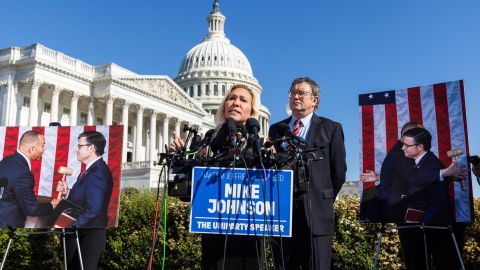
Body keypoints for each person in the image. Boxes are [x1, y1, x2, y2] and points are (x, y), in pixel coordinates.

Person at [170, 84, 264, 270]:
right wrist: (183, 158)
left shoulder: (258, 144)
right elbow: (187, 193)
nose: (236, 103)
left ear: (252, 111)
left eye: (243, 100)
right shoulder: (209, 139)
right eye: (232, 98)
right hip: (215, 231)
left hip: (249, 233)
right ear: (224, 105)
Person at [268, 77, 347, 270]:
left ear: (315, 100)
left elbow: (339, 172)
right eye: (292, 92)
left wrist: (322, 197)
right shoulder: (277, 130)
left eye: (301, 93)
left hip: (317, 215)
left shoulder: (331, 128)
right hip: (283, 214)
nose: (295, 96)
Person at [400, 127, 465, 269]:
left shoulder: (430, 162)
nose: (403, 148)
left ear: (420, 146)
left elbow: (421, 179)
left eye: (406, 145)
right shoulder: (417, 164)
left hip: (433, 228)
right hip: (422, 227)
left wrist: (444, 172)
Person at [56, 131, 113, 270]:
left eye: (80, 146)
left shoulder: (98, 172)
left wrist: (69, 225)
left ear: (91, 148)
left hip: (89, 234)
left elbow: (94, 209)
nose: (76, 149)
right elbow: (84, 200)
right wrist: (67, 192)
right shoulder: (89, 170)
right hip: (78, 232)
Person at [0, 130, 59, 228]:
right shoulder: (23, 173)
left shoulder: (5, 161)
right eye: (42, 145)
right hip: (9, 226)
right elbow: (32, 209)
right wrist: (52, 205)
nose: (43, 149)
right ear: (32, 149)